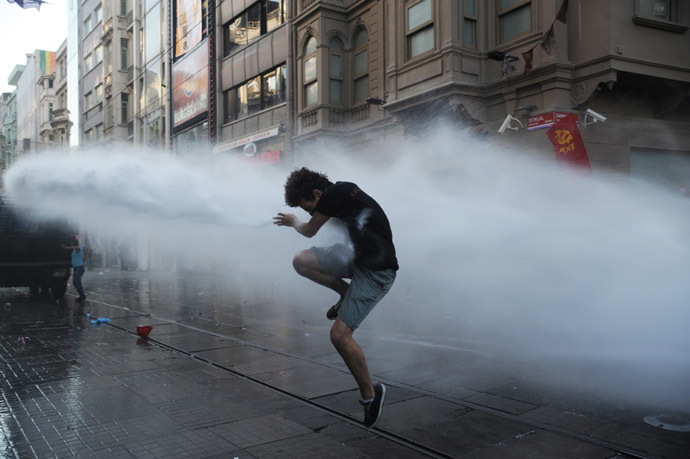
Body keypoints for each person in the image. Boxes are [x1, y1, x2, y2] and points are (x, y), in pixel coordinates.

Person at [273, 167, 398, 428]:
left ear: (317, 193)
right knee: (302, 261)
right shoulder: (342, 191)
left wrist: (295, 221)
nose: (311, 213)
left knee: (339, 336)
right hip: (355, 257)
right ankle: (344, 294)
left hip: (376, 272)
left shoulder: (335, 194)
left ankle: (371, 396)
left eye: (309, 207)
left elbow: (308, 230)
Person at [61, 233, 86, 302]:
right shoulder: (74, 251)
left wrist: (66, 248)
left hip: (79, 268)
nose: (71, 245)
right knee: (75, 282)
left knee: (77, 282)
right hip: (76, 268)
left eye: (72, 244)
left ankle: (82, 295)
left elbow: (77, 247)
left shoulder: (78, 249)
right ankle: (82, 295)